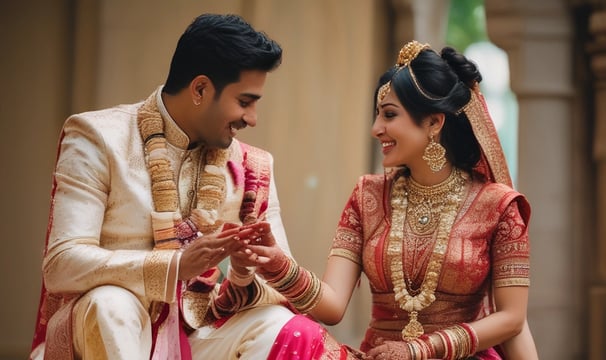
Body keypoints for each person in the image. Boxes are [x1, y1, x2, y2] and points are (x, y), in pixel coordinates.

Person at [29, 13, 335, 360]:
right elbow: (62, 264)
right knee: (110, 304)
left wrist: (243, 271)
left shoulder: (252, 166)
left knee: (279, 324)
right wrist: (175, 266)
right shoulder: (99, 137)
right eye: (245, 102)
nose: (252, 119)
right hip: (114, 331)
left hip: (201, 333)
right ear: (201, 89)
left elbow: (277, 286)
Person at [241, 40, 540, 359]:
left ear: (434, 123)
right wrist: (278, 265)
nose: (376, 129)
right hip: (379, 356)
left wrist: (420, 350)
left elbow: (512, 319)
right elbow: (332, 305)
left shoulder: (498, 206)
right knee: (295, 333)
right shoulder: (368, 195)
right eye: (377, 116)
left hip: (459, 355)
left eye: (389, 115)